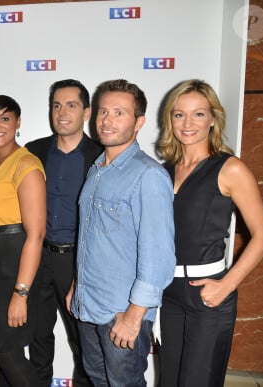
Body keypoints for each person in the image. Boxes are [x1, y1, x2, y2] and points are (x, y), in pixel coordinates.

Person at [157, 79, 263, 386]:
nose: (187, 123)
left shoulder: (230, 168)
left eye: (198, 114)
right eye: (179, 114)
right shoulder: (163, 171)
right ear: (170, 118)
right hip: (168, 293)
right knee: (169, 380)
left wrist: (226, 285)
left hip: (208, 295)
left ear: (212, 118)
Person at [67, 79, 176, 386]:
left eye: (119, 112)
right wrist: (78, 284)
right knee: (98, 380)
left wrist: (134, 316)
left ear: (139, 122)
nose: (107, 120)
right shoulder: (96, 169)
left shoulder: (148, 175)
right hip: (89, 305)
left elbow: (158, 257)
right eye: (103, 111)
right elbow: (92, 237)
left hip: (122, 312)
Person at [26, 79, 102, 386]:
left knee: (83, 341)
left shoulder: (101, 155)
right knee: (37, 338)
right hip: (37, 256)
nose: (62, 112)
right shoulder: (34, 151)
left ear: (86, 112)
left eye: (71, 105)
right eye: (56, 105)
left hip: (78, 261)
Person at [0, 94, 46, 386]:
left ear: (18, 122)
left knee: (6, 349)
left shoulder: (26, 164)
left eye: (4, 118)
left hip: (14, 262)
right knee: (1, 347)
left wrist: (21, 292)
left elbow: (36, 234)